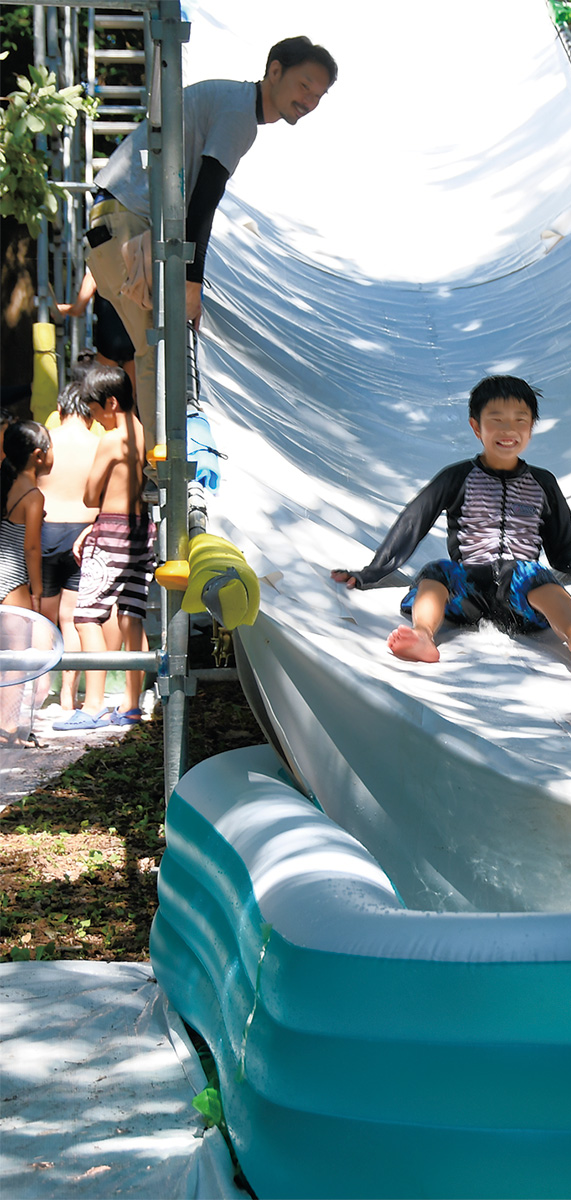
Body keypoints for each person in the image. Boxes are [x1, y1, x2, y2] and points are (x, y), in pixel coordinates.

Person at [85, 35, 339, 452]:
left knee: (159, 345)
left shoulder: (232, 99)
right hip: (125, 223)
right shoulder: (240, 114)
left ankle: (161, 462)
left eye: (319, 95)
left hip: (118, 223)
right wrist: (191, 281)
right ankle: (162, 463)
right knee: (158, 347)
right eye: (304, 85)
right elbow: (205, 197)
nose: (309, 100)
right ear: (274, 70)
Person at [331, 375, 571, 677]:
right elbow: (413, 522)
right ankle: (423, 636)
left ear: (531, 427)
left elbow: (565, 549)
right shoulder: (455, 478)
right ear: (476, 427)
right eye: (496, 419)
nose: (508, 429)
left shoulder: (543, 483)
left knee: (542, 579)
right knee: (434, 572)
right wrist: (369, 573)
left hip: (520, 593)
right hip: (466, 586)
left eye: (519, 420)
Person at [53, 365, 155, 732]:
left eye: (95, 410)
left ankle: (93, 705)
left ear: (111, 403)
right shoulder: (143, 431)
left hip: (110, 530)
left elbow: (91, 492)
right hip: (141, 529)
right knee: (131, 616)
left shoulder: (112, 439)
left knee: (87, 616)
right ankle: (131, 705)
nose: (95, 418)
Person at [40, 382, 111, 714]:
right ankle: (68, 694)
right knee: (71, 620)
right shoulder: (100, 444)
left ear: (60, 407)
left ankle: (36, 694)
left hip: (44, 531)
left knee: (42, 620)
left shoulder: (43, 442)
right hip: (84, 534)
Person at [55, 268, 136, 399]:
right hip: (132, 337)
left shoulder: (95, 273)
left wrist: (62, 308)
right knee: (129, 398)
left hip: (108, 338)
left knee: (103, 394)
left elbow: (78, 309)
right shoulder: (132, 269)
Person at [0, 421, 53, 611]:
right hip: (12, 581)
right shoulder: (33, 497)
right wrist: (37, 591)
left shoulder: (6, 485)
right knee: (19, 640)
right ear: (38, 455)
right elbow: (31, 548)